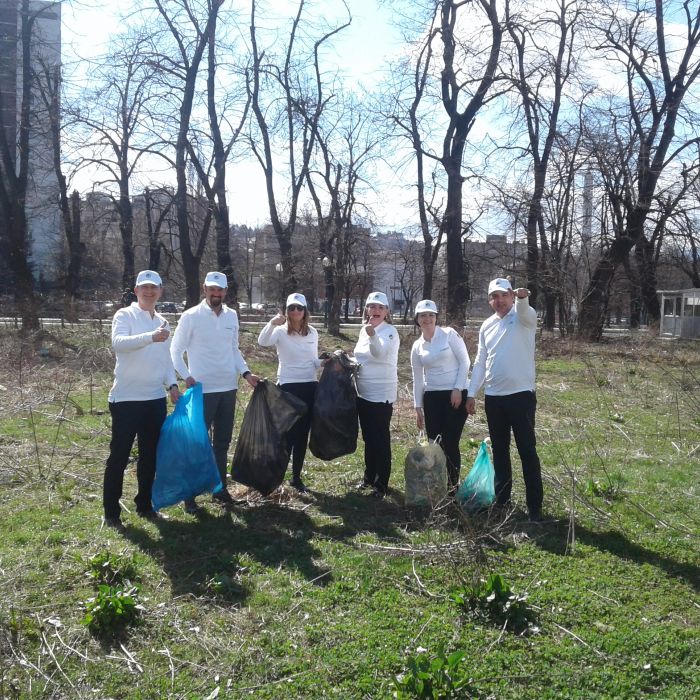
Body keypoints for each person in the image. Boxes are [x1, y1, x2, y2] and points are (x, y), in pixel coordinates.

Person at [170, 271, 259, 512]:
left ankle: (219, 489)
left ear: (225, 291)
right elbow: (175, 350)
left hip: (227, 389)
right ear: (204, 289)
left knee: (221, 443)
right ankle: (190, 496)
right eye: (212, 289)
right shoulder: (191, 316)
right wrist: (185, 375)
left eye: (220, 290)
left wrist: (246, 374)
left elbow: (234, 350)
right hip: (201, 390)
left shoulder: (231, 316)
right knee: (197, 443)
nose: (216, 293)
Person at [103, 270, 180, 531]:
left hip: (154, 399)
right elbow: (118, 344)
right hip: (126, 399)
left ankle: (145, 505)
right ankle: (111, 512)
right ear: (136, 291)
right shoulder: (124, 315)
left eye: (154, 288)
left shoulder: (162, 321)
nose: (149, 292)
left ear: (160, 291)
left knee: (150, 456)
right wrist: (150, 337)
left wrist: (171, 384)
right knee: (120, 456)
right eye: (144, 287)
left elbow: (166, 358)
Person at [466, 278, 544, 522]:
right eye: (494, 297)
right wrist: (471, 392)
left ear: (511, 296)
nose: (498, 301)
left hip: (521, 396)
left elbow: (526, 311)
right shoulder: (487, 326)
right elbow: (480, 361)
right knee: (500, 451)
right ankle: (502, 500)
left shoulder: (523, 318)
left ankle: (534, 507)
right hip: (494, 398)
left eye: (503, 295)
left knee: (526, 450)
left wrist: (522, 298)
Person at [257, 292, 321, 492]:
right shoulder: (280, 331)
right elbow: (262, 341)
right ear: (287, 310)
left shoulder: (313, 333)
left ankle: (296, 477)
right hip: (288, 386)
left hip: (309, 385)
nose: (296, 311)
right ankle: (277, 476)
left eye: (299, 308)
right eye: (292, 308)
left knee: (302, 434)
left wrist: (325, 363)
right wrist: (272, 323)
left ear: (305, 311)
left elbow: (314, 361)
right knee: (286, 435)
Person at [410, 299, 471, 488]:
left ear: (436, 317)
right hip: (432, 397)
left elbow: (465, 362)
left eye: (431, 315)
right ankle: (437, 484)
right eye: (423, 315)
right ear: (417, 319)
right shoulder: (417, 346)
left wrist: (457, 388)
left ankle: (453, 486)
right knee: (435, 443)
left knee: (450, 442)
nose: (427, 319)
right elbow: (418, 378)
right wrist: (418, 407)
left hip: (455, 395)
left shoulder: (449, 334)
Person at [353, 292, 400, 499]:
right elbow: (361, 357)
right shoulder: (364, 331)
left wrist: (372, 335)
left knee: (380, 438)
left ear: (387, 312)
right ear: (366, 310)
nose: (376, 310)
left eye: (380, 307)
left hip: (381, 394)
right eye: (372, 306)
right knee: (368, 437)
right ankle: (368, 477)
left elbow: (379, 354)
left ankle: (382, 484)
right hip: (363, 392)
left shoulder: (389, 332)